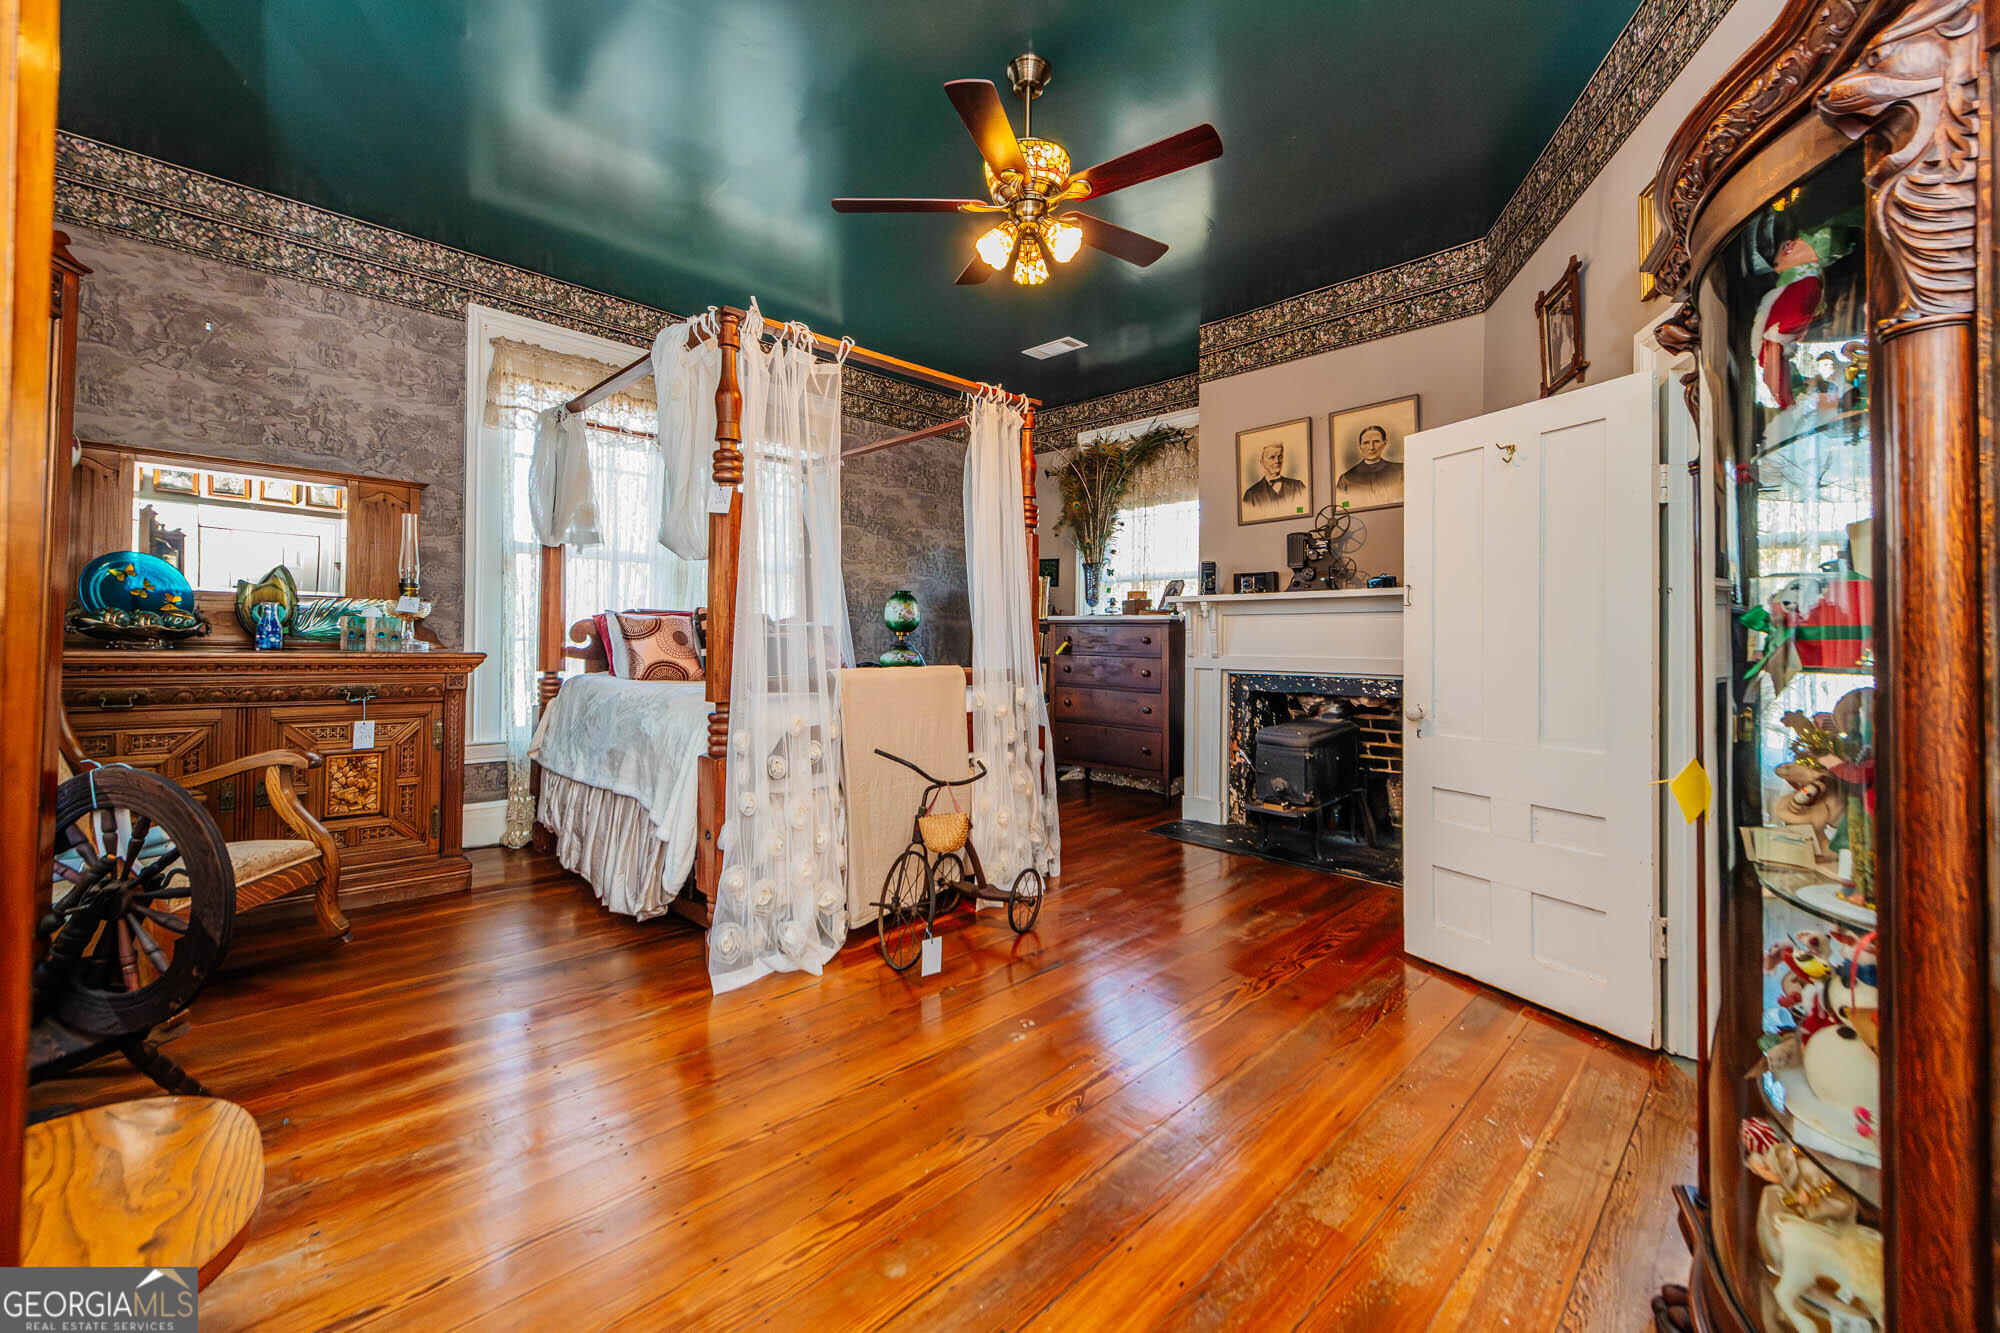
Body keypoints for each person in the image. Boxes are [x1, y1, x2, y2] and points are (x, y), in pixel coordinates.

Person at [1335, 424, 1404, 508]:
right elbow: (1343, 506)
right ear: (1360, 446)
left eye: (1376, 441)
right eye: (1366, 443)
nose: (1371, 447)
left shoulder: (1400, 471)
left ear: (1385, 443)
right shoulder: (1346, 479)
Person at [1241, 441, 1307, 512]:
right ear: (1262, 462)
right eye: (1272, 457)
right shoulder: (1251, 495)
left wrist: (1296, 511)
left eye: (1280, 457)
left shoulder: (1298, 486)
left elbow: (1303, 510)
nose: (1277, 461)